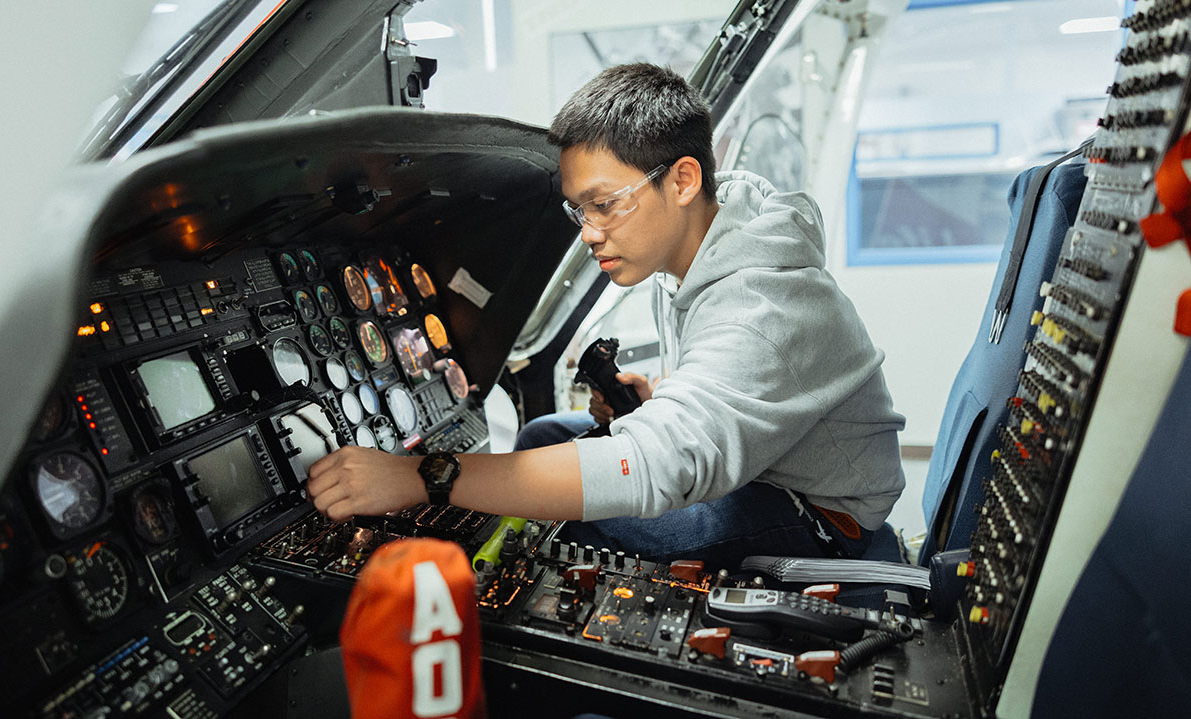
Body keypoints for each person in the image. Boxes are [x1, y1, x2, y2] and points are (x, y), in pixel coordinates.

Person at [307, 63, 906, 569]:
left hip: (818, 522)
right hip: (770, 469)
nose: (589, 234)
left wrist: (423, 474)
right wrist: (662, 405)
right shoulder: (721, 239)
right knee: (543, 435)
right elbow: (737, 387)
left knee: (564, 535)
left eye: (605, 205)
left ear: (684, 180)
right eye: (578, 211)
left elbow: (655, 466)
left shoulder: (761, 305)